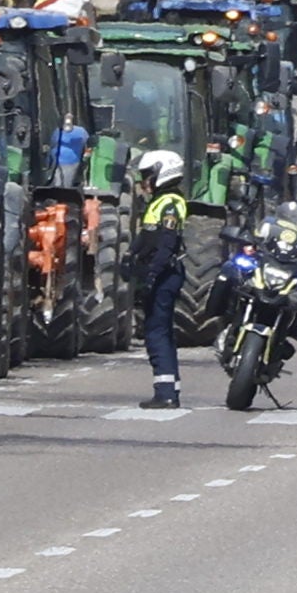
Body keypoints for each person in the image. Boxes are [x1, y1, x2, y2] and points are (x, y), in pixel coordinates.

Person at [130, 145, 194, 410]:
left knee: (157, 333)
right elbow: (147, 237)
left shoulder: (170, 203)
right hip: (160, 273)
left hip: (164, 275)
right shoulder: (158, 201)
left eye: (147, 174)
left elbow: (166, 243)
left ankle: (166, 393)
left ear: (161, 173)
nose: (143, 181)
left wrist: (152, 275)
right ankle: (169, 389)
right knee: (159, 331)